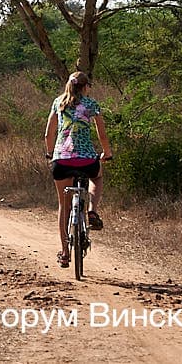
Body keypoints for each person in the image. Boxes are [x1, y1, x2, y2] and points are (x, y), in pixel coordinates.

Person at [44, 70, 112, 268]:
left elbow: (49, 133)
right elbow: (102, 135)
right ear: (85, 87)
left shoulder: (58, 103)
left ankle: (65, 252)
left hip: (62, 162)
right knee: (97, 177)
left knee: (64, 206)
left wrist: (50, 153)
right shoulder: (91, 105)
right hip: (86, 160)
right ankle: (92, 210)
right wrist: (106, 153)